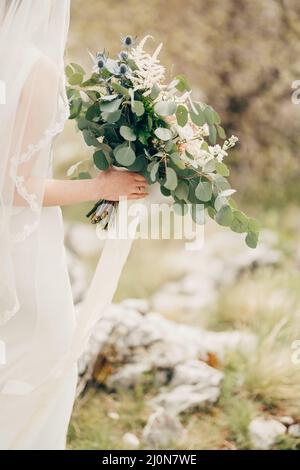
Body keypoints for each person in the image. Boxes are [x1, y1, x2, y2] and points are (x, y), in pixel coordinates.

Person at [0, 0, 147, 450]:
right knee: (45, 361)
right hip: (22, 249)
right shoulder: (34, 68)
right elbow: (14, 189)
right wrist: (101, 186)